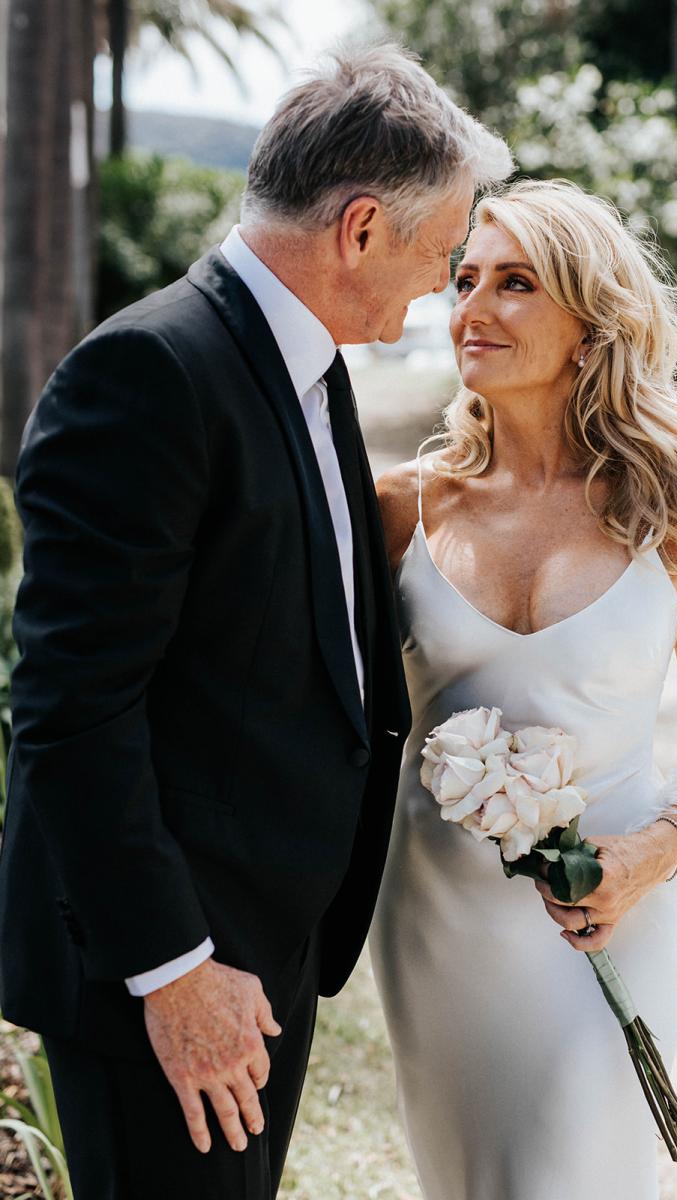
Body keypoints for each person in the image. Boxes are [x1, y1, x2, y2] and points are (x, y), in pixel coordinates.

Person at [0, 44, 512, 1200]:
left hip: (260, 945)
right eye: (441, 255)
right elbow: (72, 710)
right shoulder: (148, 372)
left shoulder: (308, 367)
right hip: (165, 966)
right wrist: (173, 970)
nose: (439, 288)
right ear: (363, 229)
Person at [370, 178, 677, 1199]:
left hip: (609, 915)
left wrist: (648, 854)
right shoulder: (401, 510)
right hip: (435, 925)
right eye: (463, 281)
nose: (472, 308)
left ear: (588, 323)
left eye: (514, 283)